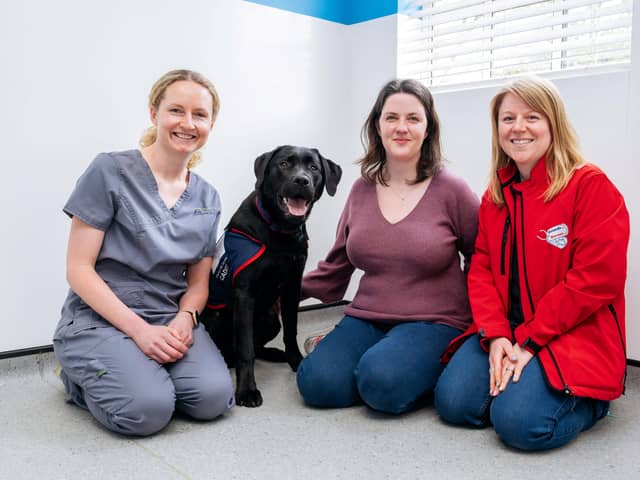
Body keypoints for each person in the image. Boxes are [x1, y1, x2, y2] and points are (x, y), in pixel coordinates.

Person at [434, 76, 630, 451]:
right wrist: (497, 336)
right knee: (454, 404)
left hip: (571, 332)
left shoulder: (590, 186)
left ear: (553, 123)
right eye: (508, 119)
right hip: (511, 330)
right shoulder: (496, 195)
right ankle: (517, 383)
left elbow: (595, 282)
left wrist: (529, 340)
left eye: (532, 117)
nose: (518, 128)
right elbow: (482, 269)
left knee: (520, 425)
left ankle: (592, 402)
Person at [52, 69, 234, 436]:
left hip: (168, 316)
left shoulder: (207, 197)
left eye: (200, 114)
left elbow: (198, 283)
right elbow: (79, 269)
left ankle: (138, 372)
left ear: (211, 124)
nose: (187, 123)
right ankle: (77, 375)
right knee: (147, 411)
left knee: (212, 399)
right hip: (101, 318)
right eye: (176, 111)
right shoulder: (110, 170)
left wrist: (184, 320)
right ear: (154, 113)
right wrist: (139, 332)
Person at [295, 79, 480, 414]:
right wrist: (286, 292)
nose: (401, 127)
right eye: (391, 117)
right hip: (368, 314)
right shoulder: (361, 188)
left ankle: (400, 361)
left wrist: (482, 321)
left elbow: (482, 256)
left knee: (382, 384)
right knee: (317, 385)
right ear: (377, 126)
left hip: (436, 319)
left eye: (413, 118)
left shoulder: (452, 189)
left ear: (428, 128)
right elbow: (338, 263)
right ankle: (369, 353)